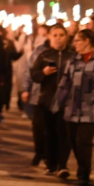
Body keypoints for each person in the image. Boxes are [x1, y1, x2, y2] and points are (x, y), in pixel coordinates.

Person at [54, 29, 94, 186]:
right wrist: (57, 103)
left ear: (87, 41)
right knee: (74, 141)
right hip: (73, 108)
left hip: (93, 107)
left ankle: (84, 174)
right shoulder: (74, 59)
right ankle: (82, 167)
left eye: (77, 41)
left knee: (83, 141)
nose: (74, 44)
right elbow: (65, 83)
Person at [30, 24, 72, 177]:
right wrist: (44, 72)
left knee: (64, 133)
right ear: (49, 37)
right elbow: (34, 75)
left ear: (66, 37)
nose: (58, 38)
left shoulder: (72, 55)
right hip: (47, 100)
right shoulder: (44, 55)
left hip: (66, 101)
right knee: (49, 133)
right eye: (55, 35)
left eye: (61, 35)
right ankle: (50, 164)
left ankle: (62, 165)